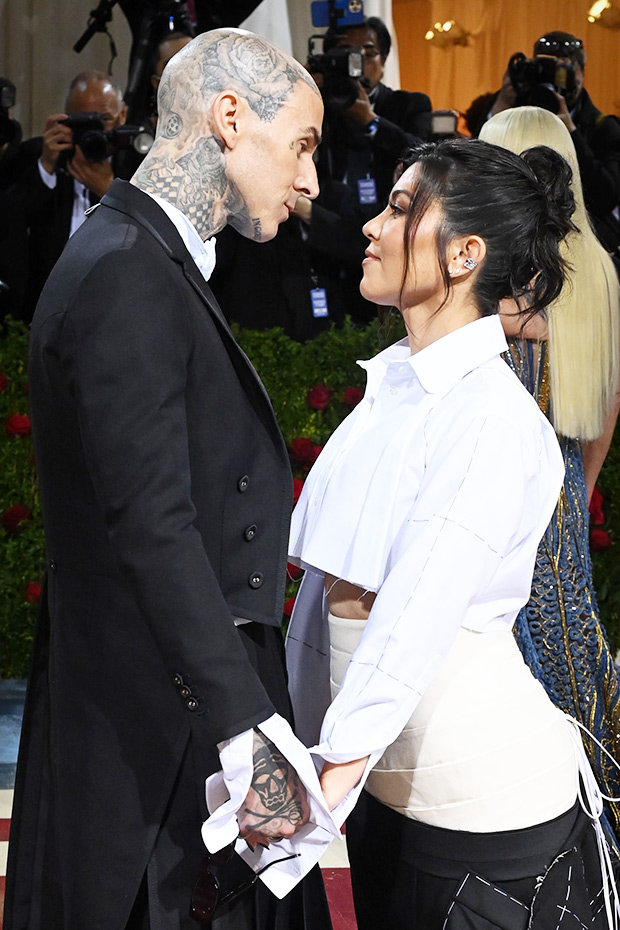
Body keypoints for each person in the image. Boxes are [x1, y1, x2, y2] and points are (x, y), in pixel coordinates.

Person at [3, 29, 332, 930]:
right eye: (302, 144)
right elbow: (151, 525)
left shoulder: (139, 256)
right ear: (231, 118)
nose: (311, 181)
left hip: (162, 711)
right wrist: (247, 731)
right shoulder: (128, 274)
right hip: (160, 737)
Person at [285, 138, 619, 929]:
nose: (370, 226)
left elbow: (413, 618)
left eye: (401, 209)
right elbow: (327, 605)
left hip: (486, 816)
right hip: (388, 796)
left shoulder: (491, 420)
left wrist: (316, 789)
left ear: (466, 255)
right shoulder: (397, 384)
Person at [479, 105, 620, 842]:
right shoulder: (594, 266)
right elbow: (601, 409)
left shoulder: (498, 272)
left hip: (500, 498)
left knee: (515, 674)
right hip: (560, 488)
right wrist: (578, 491)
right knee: (571, 668)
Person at [468, 31, 620, 256]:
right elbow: (475, 164)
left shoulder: (603, 127)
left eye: (562, 69)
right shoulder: (512, 111)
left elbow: (606, 197)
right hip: (516, 236)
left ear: (581, 72)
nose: (552, 78)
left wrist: (570, 132)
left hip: (581, 245)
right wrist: (502, 102)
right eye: (543, 67)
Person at [0, 70, 129, 322]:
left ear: (123, 114)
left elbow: (155, 232)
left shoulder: (140, 161)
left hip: (116, 309)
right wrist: (45, 167)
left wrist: (108, 189)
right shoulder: (39, 154)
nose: (96, 131)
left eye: (104, 119)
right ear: (66, 118)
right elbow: (10, 223)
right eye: (85, 121)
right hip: (49, 310)